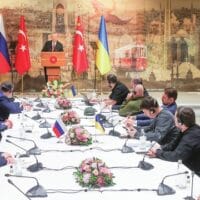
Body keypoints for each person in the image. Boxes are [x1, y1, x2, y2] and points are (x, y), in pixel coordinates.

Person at [147, 106, 200, 176]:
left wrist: (157, 153)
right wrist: (159, 149)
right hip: (187, 167)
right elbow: (172, 145)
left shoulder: (192, 136)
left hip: (195, 174)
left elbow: (176, 156)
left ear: (180, 122)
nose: (173, 119)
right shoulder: (185, 129)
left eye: (175, 117)